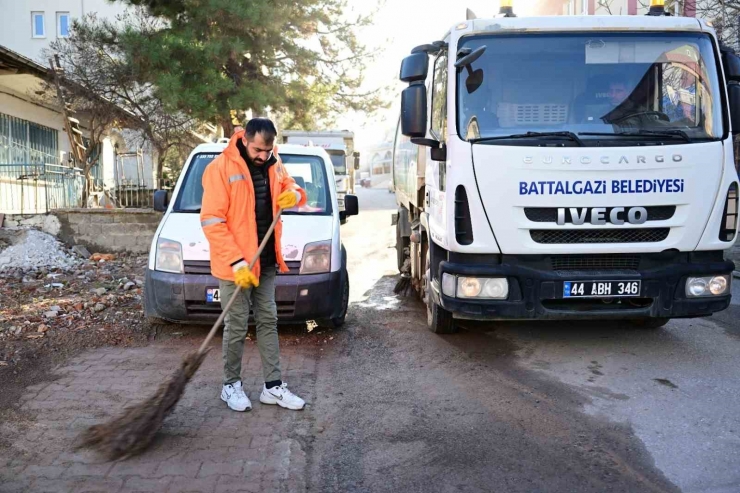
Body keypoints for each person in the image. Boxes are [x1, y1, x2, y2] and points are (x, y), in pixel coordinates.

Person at [200, 118, 307, 412]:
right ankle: (230, 385)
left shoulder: (274, 162)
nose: (263, 155)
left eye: (268, 149)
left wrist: (294, 194)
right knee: (236, 326)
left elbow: (292, 187)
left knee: (269, 320)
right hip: (235, 264)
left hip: (267, 259)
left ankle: (272, 387)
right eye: (258, 149)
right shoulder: (219, 169)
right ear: (244, 139)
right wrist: (237, 262)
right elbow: (212, 222)